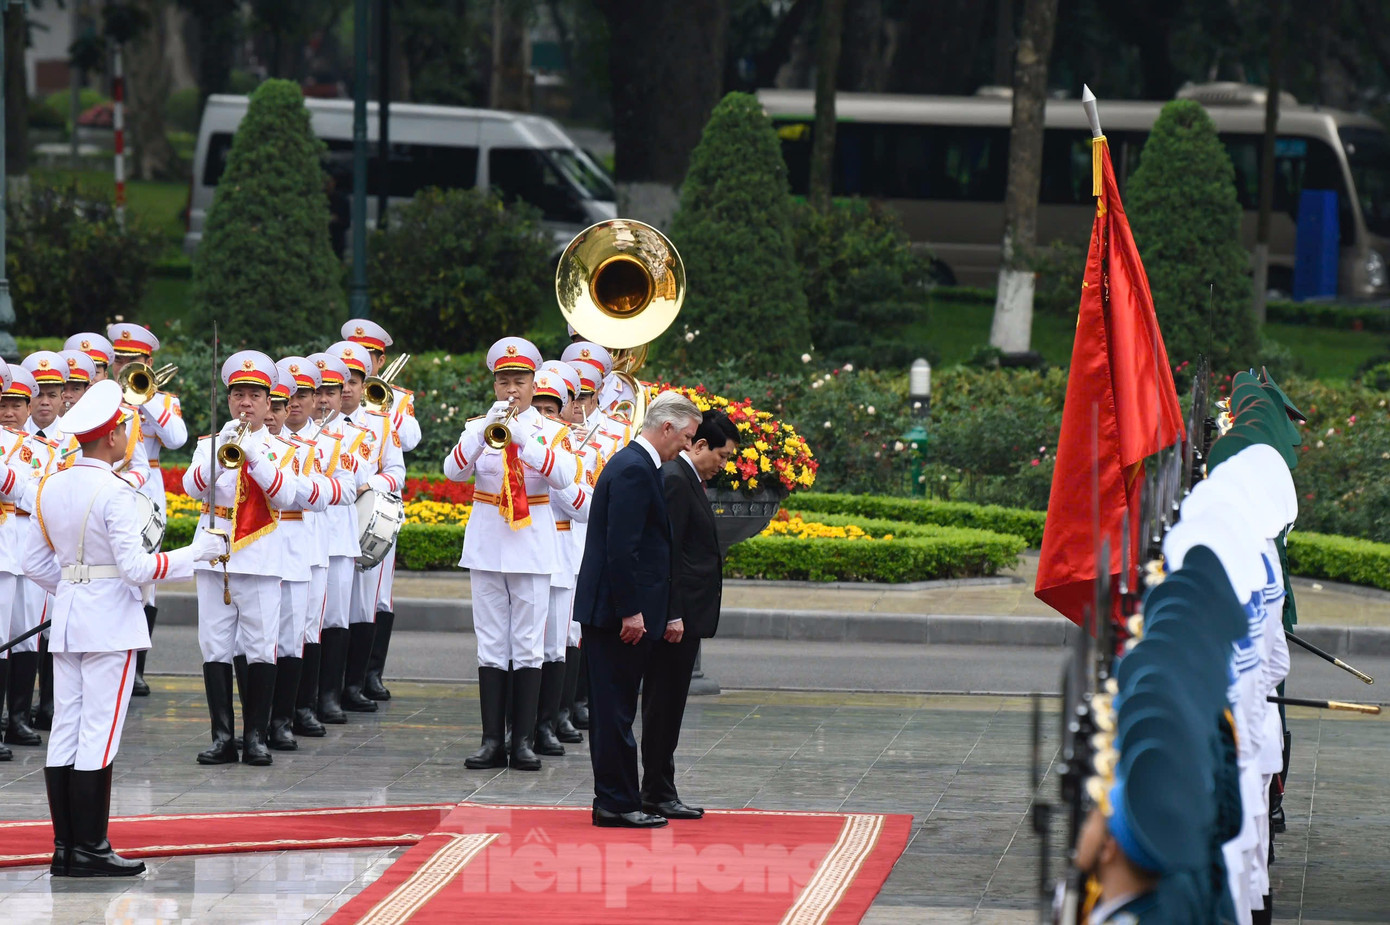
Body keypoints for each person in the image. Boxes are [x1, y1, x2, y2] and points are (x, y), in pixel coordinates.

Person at [21, 380, 226, 876]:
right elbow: (136, 568)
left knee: (66, 728)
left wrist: (75, 583)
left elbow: (32, 562)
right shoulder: (114, 491)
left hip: (70, 618)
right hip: (110, 621)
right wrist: (195, 555)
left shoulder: (52, 484)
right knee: (99, 731)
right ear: (111, 436)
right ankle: (91, 846)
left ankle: (66, 848)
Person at [442, 337, 579, 771]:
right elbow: (453, 471)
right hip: (486, 545)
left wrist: (525, 439)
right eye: (504, 381)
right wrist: (485, 435)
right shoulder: (477, 425)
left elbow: (564, 476)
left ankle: (522, 740)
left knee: (527, 645)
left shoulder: (554, 431)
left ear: (535, 382)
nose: (511, 390)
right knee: (491, 645)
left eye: (519, 381)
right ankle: (490, 740)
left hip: (532, 545)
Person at [572, 390, 701, 828]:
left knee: (619, 707)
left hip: (620, 612)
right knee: (614, 712)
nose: (687, 446)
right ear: (666, 427)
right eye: (686, 437)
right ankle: (615, 802)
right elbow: (621, 550)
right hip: (615, 616)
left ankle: (622, 798)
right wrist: (631, 611)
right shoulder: (632, 469)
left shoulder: (639, 464)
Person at [182, 352, 301, 766]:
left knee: (260, 647)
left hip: (261, 555)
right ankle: (222, 737)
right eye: (238, 395)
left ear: (270, 403)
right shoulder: (208, 443)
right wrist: (222, 452)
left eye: (254, 395)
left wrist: (252, 453)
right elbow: (191, 488)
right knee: (214, 646)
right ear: (228, 400)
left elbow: (285, 496)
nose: (245, 403)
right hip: (216, 553)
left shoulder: (281, 449)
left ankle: (256, 737)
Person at [640, 409, 740, 820]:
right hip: (674, 620)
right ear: (699, 446)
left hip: (685, 617)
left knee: (671, 705)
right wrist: (674, 614)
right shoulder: (676, 482)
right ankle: (657, 792)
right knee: (663, 706)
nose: (724, 465)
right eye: (722, 455)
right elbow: (668, 554)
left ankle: (662, 788)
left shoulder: (688, 479)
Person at [106, 323, 188, 699]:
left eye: (132, 361)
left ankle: (136, 667)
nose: (123, 366)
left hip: (147, 488)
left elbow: (177, 439)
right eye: (119, 359)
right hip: (104, 481)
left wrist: (145, 395)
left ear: (148, 362)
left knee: (144, 584)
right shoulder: (101, 396)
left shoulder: (163, 400)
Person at [341, 319, 420, 702]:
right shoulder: (325, 397)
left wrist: (389, 408)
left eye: (368, 354)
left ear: (379, 358)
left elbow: (411, 442)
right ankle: (336, 682)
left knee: (376, 596)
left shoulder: (395, 400)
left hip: (375, 510)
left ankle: (369, 673)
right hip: (335, 509)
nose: (360, 358)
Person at [325, 340, 406, 715]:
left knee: (364, 604)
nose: (345, 390)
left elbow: (397, 474)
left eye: (352, 382)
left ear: (362, 384)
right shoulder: (317, 425)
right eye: (338, 383)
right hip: (329, 521)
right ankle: (326, 687)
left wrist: (368, 486)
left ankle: (355, 683)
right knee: (329, 608)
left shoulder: (380, 423)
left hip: (367, 519)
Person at [305, 352, 365, 726]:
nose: (325, 399)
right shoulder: (291, 432)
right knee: (306, 620)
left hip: (338, 535)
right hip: (306, 537)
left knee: (336, 617)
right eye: (319, 391)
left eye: (332, 391)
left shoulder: (355, 434)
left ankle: (329, 695)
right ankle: (304, 698)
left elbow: (355, 481)